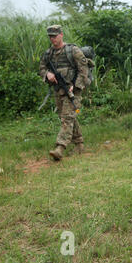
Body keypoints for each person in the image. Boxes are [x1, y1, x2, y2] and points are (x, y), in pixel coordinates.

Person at [39, 25, 90, 161]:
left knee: (67, 118)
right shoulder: (48, 54)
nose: (52, 39)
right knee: (68, 117)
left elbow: (83, 70)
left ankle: (60, 148)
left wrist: (76, 86)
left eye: (54, 36)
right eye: (50, 36)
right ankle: (79, 144)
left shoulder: (72, 51)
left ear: (61, 35)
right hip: (58, 91)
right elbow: (41, 68)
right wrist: (47, 74)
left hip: (73, 91)